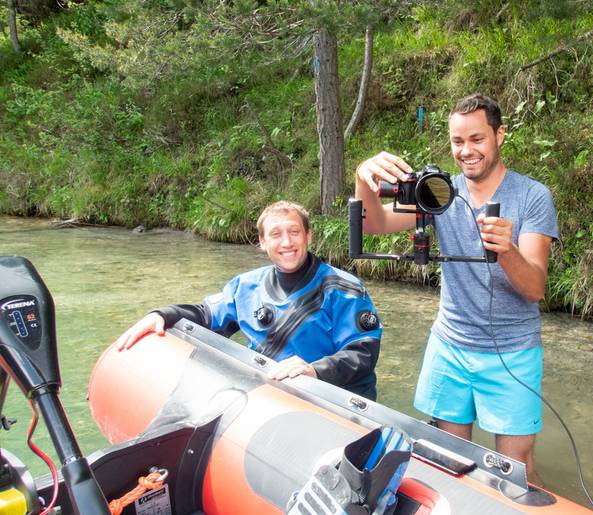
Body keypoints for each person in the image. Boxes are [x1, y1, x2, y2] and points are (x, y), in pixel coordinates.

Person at [354, 94, 558, 483]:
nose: (466, 151)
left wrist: (507, 249)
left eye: (477, 139)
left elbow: (535, 288)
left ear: (500, 135)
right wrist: (363, 177)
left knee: (517, 472)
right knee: (450, 461)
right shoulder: (439, 192)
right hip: (451, 344)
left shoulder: (532, 196)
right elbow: (374, 224)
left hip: (513, 350)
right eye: (457, 142)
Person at [115, 200, 382, 400]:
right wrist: (161, 315)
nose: (287, 242)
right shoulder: (245, 286)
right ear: (262, 242)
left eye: (294, 232)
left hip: (334, 400)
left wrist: (314, 370)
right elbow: (206, 315)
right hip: (272, 395)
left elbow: (362, 353)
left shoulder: (345, 289)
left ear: (308, 236)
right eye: (276, 235)